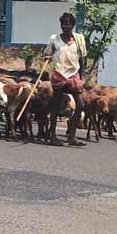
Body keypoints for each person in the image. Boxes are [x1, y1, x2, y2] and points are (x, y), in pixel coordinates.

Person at [44, 11, 88, 146]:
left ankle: (72, 136)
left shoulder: (79, 39)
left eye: (68, 24)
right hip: (59, 75)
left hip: (73, 75)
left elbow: (82, 60)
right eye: (63, 24)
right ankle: (52, 136)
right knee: (56, 106)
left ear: (73, 25)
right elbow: (46, 53)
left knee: (81, 104)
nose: (65, 27)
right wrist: (47, 57)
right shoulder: (54, 39)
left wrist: (81, 77)